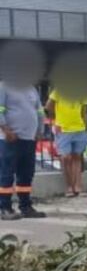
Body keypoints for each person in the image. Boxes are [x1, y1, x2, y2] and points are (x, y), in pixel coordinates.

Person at [0, 79, 47, 220]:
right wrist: (5, 129)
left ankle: (26, 206)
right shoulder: (4, 86)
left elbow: (39, 110)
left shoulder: (32, 89)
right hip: (10, 138)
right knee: (6, 174)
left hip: (29, 138)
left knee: (26, 174)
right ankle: (5, 208)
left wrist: (40, 130)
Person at [46, 86, 87, 197]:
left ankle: (78, 187)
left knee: (77, 157)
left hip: (79, 128)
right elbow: (48, 106)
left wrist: (85, 126)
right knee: (65, 158)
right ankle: (69, 187)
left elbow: (84, 111)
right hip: (63, 129)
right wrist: (56, 121)